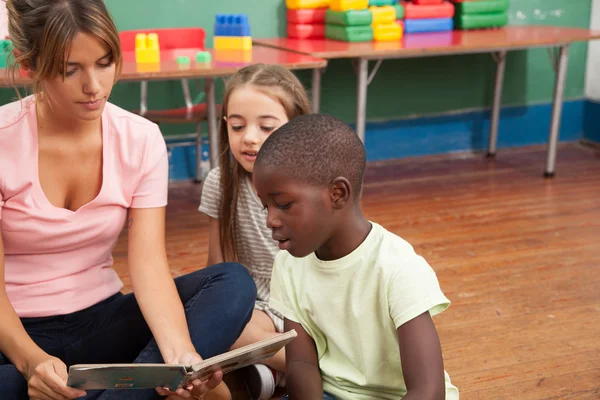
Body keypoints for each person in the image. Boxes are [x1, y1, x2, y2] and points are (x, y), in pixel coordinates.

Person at [0, 1, 256, 399]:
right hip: (12, 335)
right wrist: (32, 362)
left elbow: (150, 264)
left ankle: (134, 386)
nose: (94, 85)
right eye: (71, 69)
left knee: (231, 282)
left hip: (100, 324)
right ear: (29, 65)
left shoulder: (140, 138)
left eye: (104, 63)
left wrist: (180, 356)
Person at [253, 114, 460, 400]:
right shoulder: (288, 264)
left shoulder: (397, 267)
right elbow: (301, 364)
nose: (271, 220)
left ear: (337, 193)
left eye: (284, 204)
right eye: (266, 207)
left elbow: (428, 390)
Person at [198, 63, 311, 399]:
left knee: (224, 333)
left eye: (266, 127)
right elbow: (216, 269)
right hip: (254, 306)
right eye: (237, 126)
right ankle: (284, 371)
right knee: (214, 320)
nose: (249, 137)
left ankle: (294, 370)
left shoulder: (310, 187)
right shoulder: (220, 183)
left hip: (302, 306)